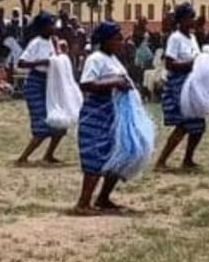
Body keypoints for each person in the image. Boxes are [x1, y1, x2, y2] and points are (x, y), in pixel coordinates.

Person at [74, 21, 135, 215]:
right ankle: (83, 203)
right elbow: (86, 84)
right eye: (116, 38)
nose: (120, 42)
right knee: (95, 156)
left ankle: (103, 197)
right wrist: (115, 82)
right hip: (96, 113)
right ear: (105, 40)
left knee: (117, 155)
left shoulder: (113, 60)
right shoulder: (96, 59)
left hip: (114, 114)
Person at [154, 3, 206, 171]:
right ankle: (161, 161)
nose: (193, 20)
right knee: (185, 124)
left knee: (199, 125)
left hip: (192, 84)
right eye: (190, 17)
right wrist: (191, 63)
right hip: (179, 85)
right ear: (182, 19)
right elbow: (170, 63)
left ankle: (188, 159)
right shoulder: (175, 38)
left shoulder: (192, 38)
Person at [15, 11, 66, 165]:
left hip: (50, 84)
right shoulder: (36, 43)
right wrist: (41, 62)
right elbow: (21, 63)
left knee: (60, 123)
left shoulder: (53, 41)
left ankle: (48, 155)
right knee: (42, 125)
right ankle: (23, 158)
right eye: (50, 25)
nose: (53, 28)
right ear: (42, 27)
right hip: (35, 85)